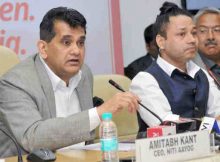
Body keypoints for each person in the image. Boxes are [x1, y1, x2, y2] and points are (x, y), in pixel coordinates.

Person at [0, 7, 139, 158]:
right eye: (66, 42)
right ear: (43, 48)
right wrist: (99, 113)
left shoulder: (84, 73)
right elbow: (33, 138)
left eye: (80, 43)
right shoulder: (16, 82)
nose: (76, 51)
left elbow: (86, 139)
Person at [130, 2, 220, 133]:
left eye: (194, 33)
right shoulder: (145, 81)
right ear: (161, 41)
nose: (192, 40)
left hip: (204, 149)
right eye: (182, 34)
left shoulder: (201, 74)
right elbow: (170, 127)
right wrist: (212, 124)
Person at [193, 7, 220, 88]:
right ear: (194, 34)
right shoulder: (186, 69)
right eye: (203, 31)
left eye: (217, 30)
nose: (210, 37)